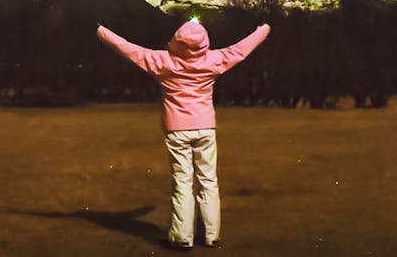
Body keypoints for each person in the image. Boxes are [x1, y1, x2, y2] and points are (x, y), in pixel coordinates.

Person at [97, 18, 271, 250]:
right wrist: (265, 28)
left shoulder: (162, 61)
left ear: (177, 40)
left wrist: (100, 30)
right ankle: (211, 235)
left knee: (183, 183)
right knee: (209, 181)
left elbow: (127, 48)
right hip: (206, 127)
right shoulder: (213, 60)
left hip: (177, 130)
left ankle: (182, 237)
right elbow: (242, 48)